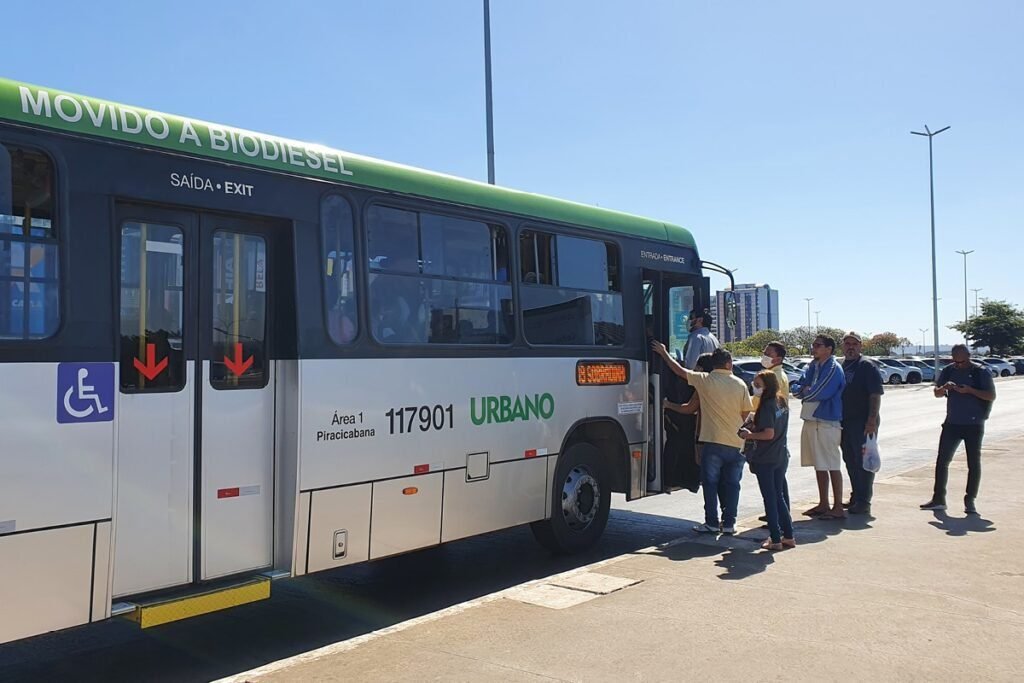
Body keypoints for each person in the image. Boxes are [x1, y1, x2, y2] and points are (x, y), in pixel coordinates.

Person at [652, 342, 753, 535]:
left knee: (710, 483)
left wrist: (664, 354)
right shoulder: (740, 384)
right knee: (732, 485)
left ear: (713, 364)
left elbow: (680, 371)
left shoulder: (705, 381)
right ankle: (730, 523)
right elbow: (746, 415)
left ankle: (712, 523)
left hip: (713, 442)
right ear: (729, 363)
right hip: (737, 444)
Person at [921, 344, 996, 514]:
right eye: (956, 361)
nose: (958, 364)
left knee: (973, 463)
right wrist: (944, 388)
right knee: (942, 461)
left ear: (968, 357)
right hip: (952, 423)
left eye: (962, 361)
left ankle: (970, 501)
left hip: (974, 424)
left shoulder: (980, 372)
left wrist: (969, 390)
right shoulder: (948, 371)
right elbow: (937, 393)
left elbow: (991, 395)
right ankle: (939, 498)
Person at [740, 370, 794, 551]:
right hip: (780, 455)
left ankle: (775, 539)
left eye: (758, 384)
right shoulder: (782, 402)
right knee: (779, 497)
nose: (754, 387)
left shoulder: (768, 405)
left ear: (767, 386)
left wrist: (749, 434)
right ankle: (788, 536)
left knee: (770, 498)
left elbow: (768, 433)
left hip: (766, 457)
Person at [798, 335, 847, 519]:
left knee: (832, 464)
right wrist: (804, 390)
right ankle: (823, 503)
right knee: (819, 464)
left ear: (829, 349)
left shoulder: (833, 368)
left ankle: (838, 507)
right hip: (811, 420)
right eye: (814, 345)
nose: (814, 348)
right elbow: (799, 385)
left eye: (818, 345)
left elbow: (820, 392)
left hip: (827, 421)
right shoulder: (813, 366)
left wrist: (805, 393)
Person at [840, 332, 884, 515]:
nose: (850, 347)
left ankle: (864, 501)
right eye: (847, 343)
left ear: (860, 346)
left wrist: (871, 420)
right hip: (844, 421)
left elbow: (875, 394)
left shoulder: (866, 366)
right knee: (849, 459)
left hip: (864, 421)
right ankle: (856, 495)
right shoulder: (841, 365)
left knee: (863, 460)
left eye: (854, 344)